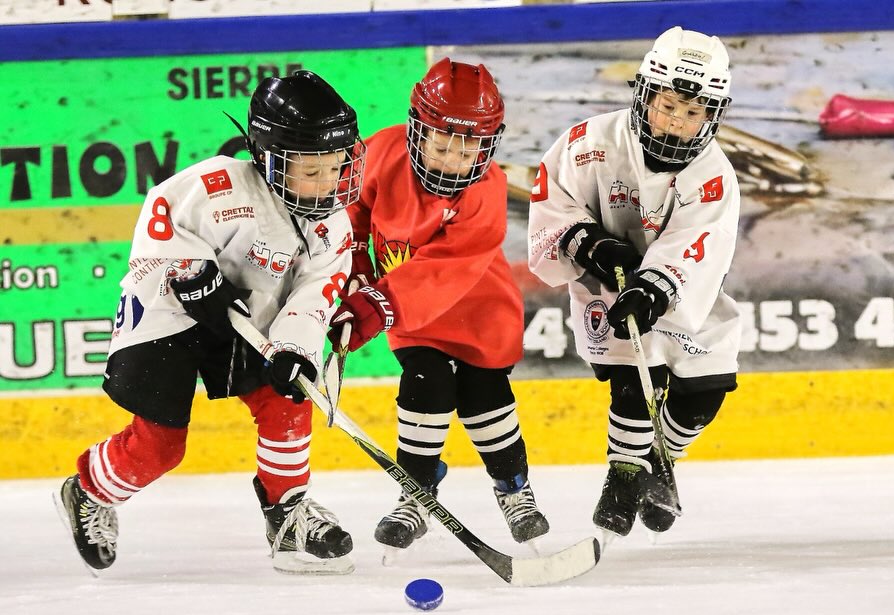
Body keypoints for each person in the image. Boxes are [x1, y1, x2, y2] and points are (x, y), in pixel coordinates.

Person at [55, 71, 364, 575]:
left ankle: (286, 512)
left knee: (287, 397)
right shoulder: (217, 184)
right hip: (169, 311)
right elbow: (162, 217)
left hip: (248, 317)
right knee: (160, 447)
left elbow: (315, 295)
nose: (328, 182)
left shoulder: (333, 226)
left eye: (335, 166)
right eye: (311, 169)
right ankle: (87, 489)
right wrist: (190, 270)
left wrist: (294, 347)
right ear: (268, 157)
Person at [527, 27, 741, 538]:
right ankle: (623, 481)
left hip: (681, 292)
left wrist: (653, 287)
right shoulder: (588, 143)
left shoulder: (713, 174)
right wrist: (586, 241)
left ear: (712, 115)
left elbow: (697, 245)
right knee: (633, 380)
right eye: (668, 106)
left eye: (693, 114)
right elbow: (552, 205)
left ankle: (658, 463)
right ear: (644, 94)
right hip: (605, 284)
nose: (676, 124)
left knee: (704, 392)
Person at [329, 58, 549, 552]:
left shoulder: (486, 191)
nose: (454, 157)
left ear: (488, 144)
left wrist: (378, 302)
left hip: (478, 309)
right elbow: (349, 213)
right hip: (409, 313)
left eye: (469, 144)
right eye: (442, 141)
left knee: (484, 398)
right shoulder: (380, 153)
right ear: (417, 130)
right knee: (423, 385)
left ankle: (514, 488)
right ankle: (416, 491)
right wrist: (357, 274)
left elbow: (445, 268)